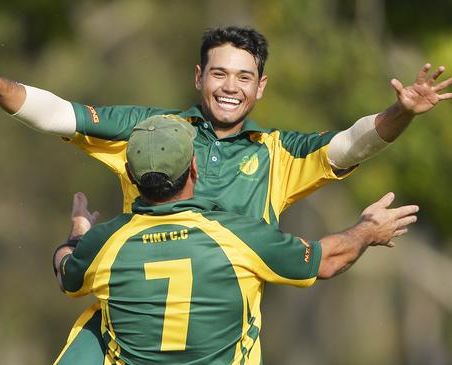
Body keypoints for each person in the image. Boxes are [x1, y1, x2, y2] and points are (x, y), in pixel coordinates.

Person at [0, 25, 450, 363]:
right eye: (219, 72)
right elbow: (60, 114)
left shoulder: (276, 153)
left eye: (245, 77)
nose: (231, 86)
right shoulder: (153, 130)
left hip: (217, 340)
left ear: (261, 86)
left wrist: (400, 111)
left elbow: (348, 146)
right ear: (198, 76)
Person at [52, 115, 418, 364]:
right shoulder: (238, 234)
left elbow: (67, 272)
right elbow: (326, 261)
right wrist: (368, 230)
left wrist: (78, 233)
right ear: (194, 168)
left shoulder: (105, 243)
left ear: (130, 174)